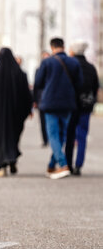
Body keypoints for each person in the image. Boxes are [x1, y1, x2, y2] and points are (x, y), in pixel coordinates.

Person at [33, 37, 83, 179]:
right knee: (62, 135)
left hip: (50, 103)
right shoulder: (74, 62)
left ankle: (62, 165)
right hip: (68, 103)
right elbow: (80, 83)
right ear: (64, 46)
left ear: (52, 47)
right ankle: (51, 165)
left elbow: (38, 82)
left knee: (53, 135)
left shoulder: (47, 62)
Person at [0, 48, 33, 176]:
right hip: (15, 115)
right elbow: (27, 95)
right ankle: (12, 158)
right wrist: (25, 109)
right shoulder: (20, 74)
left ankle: (0, 167)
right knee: (13, 137)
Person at [64, 40, 99, 175]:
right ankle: (79, 165)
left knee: (70, 135)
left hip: (71, 105)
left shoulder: (70, 65)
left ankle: (68, 163)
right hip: (86, 106)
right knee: (82, 135)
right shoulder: (91, 67)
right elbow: (96, 87)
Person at [33, 51, 51, 147]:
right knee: (43, 121)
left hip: (52, 99)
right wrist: (35, 100)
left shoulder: (54, 69)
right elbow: (36, 85)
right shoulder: (38, 70)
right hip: (41, 99)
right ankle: (45, 139)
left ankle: (51, 138)